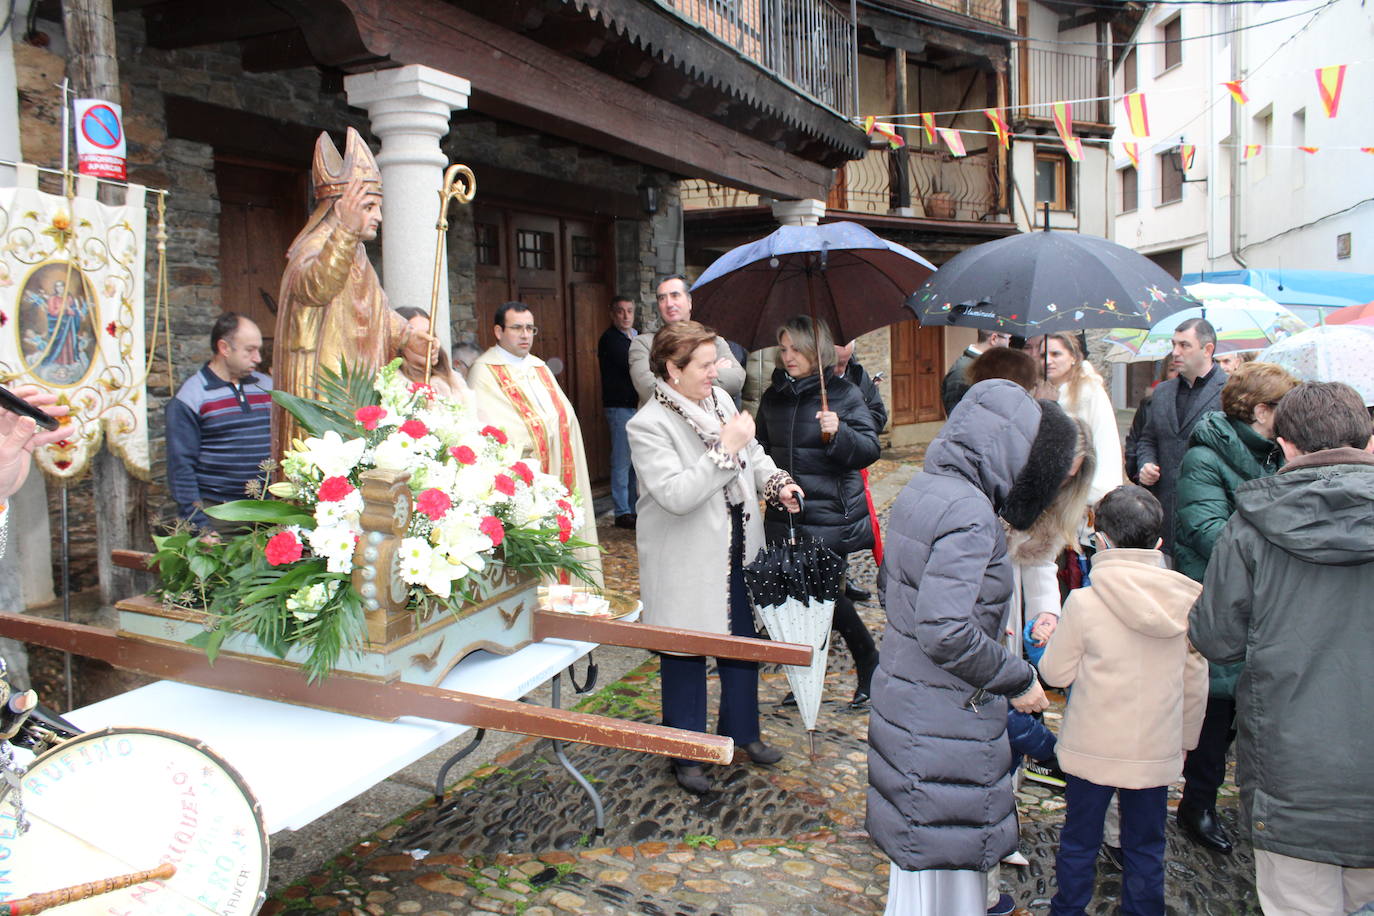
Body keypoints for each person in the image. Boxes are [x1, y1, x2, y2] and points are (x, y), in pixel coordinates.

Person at [869, 379, 1076, 916]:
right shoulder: (971, 514)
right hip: (942, 711)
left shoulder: (925, 486)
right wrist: (1019, 678)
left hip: (912, 696)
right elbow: (944, 630)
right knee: (944, 866)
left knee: (925, 864)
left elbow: (890, 586)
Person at [1190, 382, 1374, 915]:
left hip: (1293, 770)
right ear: (1366, 438)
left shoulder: (1248, 528)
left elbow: (1215, 639)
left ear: (1287, 445)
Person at [627, 320, 803, 796]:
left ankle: (743, 733)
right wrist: (724, 449)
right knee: (684, 653)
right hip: (684, 559)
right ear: (673, 369)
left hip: (739, 549)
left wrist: (776, 482)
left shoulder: (720, 401)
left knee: (742, 647)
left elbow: (755, 452)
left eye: (716, 362)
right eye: (706, 365)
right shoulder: (647, 425)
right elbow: (676, 494)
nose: (717, 372)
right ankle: (686, 751)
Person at [1039, 485, 1208, 916]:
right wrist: (1186, 740)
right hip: (1152, 748)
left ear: (1102, 539)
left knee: (1079, 839)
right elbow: (1195, 678)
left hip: (1091, 748)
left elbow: (1055, 674)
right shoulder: (1186, 601)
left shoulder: (1085, 602)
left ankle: (1069, 908)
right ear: (1158, 544)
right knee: (1147, 843)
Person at [1171, 362, 1297, 855]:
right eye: (1284, 408)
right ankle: (1196, 804)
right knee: (1215, 714)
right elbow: (1207, 532)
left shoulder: (1278, 455)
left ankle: (1253, 804)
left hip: (1268, 602)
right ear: (1262, 411)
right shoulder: (1204, 457)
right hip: (1221, 600)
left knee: (1256, 711)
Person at [755, 317, 881, 709]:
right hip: (786, 515)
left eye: (797, 349)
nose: (788, 357)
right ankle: (810, 678)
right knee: (799, 603)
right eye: (784, 349)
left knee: (826, 597)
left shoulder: (842, 395)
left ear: (817, 351)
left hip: (829, 515)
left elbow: (868, 449)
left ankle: (867, 660)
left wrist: (839, 431)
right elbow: (758, 450)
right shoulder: (772, 396)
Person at [274, 127, 413, 458]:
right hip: (323, 390)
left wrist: (408, 335)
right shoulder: (315, 246)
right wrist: (346, 232)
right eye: (368, 206)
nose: (378, 216)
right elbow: (316, 286)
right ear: (342, 208)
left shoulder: (357, 253)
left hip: (357, 387)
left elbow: (373, 309)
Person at [467, 302, 602, 585]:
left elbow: (564, 417)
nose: (525, 335)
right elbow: (495, 430)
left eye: (530, 328)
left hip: (560, 470)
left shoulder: (539, 367)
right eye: (517, 328)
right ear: (498, 331)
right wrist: (544, 433)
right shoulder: (484, 372)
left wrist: (554, 431)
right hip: (528, 480)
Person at [165, 314, 274, 532]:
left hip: (270, 511)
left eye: (258, 350)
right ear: (224, 348)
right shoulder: (191, 397)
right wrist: (199, 525)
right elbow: (181, 467)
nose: (258, 358)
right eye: (250, 350)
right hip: (218, 516)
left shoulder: (269, 387)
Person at [1135, 318, 1227, 554]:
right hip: (1164, 513)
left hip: (1208, 513)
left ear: (1208, 350)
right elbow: (1148, 438)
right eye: (1174, 344)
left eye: (1184, 345)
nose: (1175, 352)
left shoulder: (1228, 390)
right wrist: (1146, 462)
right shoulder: (1163, 391)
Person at [627, 275, 745, 406]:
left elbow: (736, 380)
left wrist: (674, 381)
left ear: (689, 302)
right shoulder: (644, 344)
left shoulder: (713, 341)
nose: (669, 304)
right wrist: (712, 374)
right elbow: (649, 390)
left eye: (675, 295)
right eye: (662, 298)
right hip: (663, 423)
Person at [834, 338, 888, 604]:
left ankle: (843, 576)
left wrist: (852, 429)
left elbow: (878, 415)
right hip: (827, 467)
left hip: (852, 462)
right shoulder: (817, 378)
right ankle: (835, 581)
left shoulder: (858, 374)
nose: (843, 347)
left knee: (849, 524)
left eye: (847, 342)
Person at [1044, 332, 1123, 505]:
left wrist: (1100, 493)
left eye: (1056, 354)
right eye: (1044, 355)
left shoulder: (1090, 391)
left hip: (1083, 493)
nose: (1048, 361)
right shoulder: (1042, 392)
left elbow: (1105, 441)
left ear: (1072, 356)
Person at [598, 296, 639, 529]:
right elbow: (631, 364)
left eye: (629, 311)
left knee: (636, 462)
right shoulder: (610, 339)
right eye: (621, 311)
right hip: (619, 407)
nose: (625, 316)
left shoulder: (636, 335)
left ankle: (633, 508)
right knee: (622, 461)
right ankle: (622, 511)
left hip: (636, 405)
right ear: (613, 314)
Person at [393, 307, 473, 406]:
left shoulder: (454, 380)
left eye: (429, 333)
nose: (429, 341)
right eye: (418, 336)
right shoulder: (393, 384)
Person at [1123, 363, 1178, 483]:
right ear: (1165, 373)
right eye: (1172, 369)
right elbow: (1136, 441)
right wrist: (1138, 472)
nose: (1177, 373)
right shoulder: (1148, 405)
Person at [942, 329, 1011, 416]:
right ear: (994, 338)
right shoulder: (962, 372)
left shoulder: (988, 365)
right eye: (1007, 338)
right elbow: (958, 418)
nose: (1009, 344)